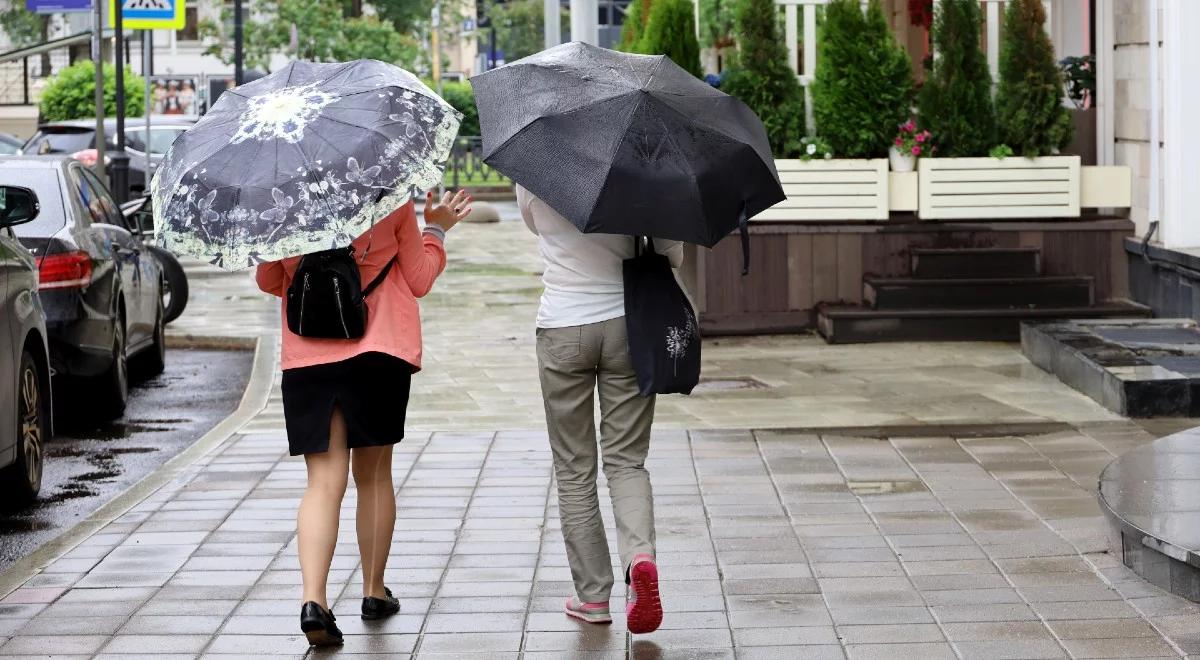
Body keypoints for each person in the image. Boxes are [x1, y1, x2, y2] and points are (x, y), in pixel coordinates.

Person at [255, 189, 472, 647]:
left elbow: (268, 279)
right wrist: (435, 229)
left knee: (322, 483)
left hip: (309, 358)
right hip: (379, 353)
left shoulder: (285, 202)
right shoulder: (388, 201)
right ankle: (374, 592)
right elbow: (418, 278)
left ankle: (314, 601)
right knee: (373, 476)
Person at [518, 184, 681, 635]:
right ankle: (640, 559)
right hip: (629, 325)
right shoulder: (640, 171)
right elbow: (671, 257)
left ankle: (592, 596)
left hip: (562, 326)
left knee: (574, 469)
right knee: (627, 461)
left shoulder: (536, 167)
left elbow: (536, 226)